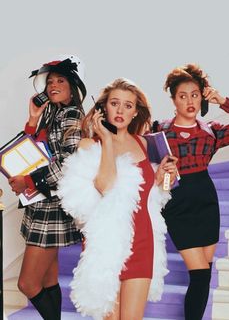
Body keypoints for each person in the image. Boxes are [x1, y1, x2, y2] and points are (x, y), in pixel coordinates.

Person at [58, 77, 178, 320]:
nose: (121, 110)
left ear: (135, 112)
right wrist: (108, 140)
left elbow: (157, 192)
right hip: (107, 245)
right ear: (104, 107)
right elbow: (106, 186)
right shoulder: (89, 145)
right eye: (115, 103)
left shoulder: (144, 143)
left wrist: (167, 177)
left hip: (143, 241)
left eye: (128, 105)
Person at [147, 63, 229, 320]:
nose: (190, 101)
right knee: (198, 273)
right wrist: (164, 179)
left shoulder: (212, 132)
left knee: (204, 274)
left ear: (202, 96)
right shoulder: (159, 131)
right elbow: (160, 183)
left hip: (206, 203)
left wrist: (223, 101)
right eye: (183, 96)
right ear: (173, 100)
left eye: (195, 94)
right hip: (177, 205)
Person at [8, 55, 87, 320]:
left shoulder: (73, 114)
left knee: (27, 284)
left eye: (60, 80)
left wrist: (28, 181)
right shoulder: (54, 113)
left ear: (73, 85)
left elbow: (69, 162)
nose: (53, 85)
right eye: (50, 81)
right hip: (40, 203)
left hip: (50, 207)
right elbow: (33, 150)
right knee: (49, 280)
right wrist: (33, 117)